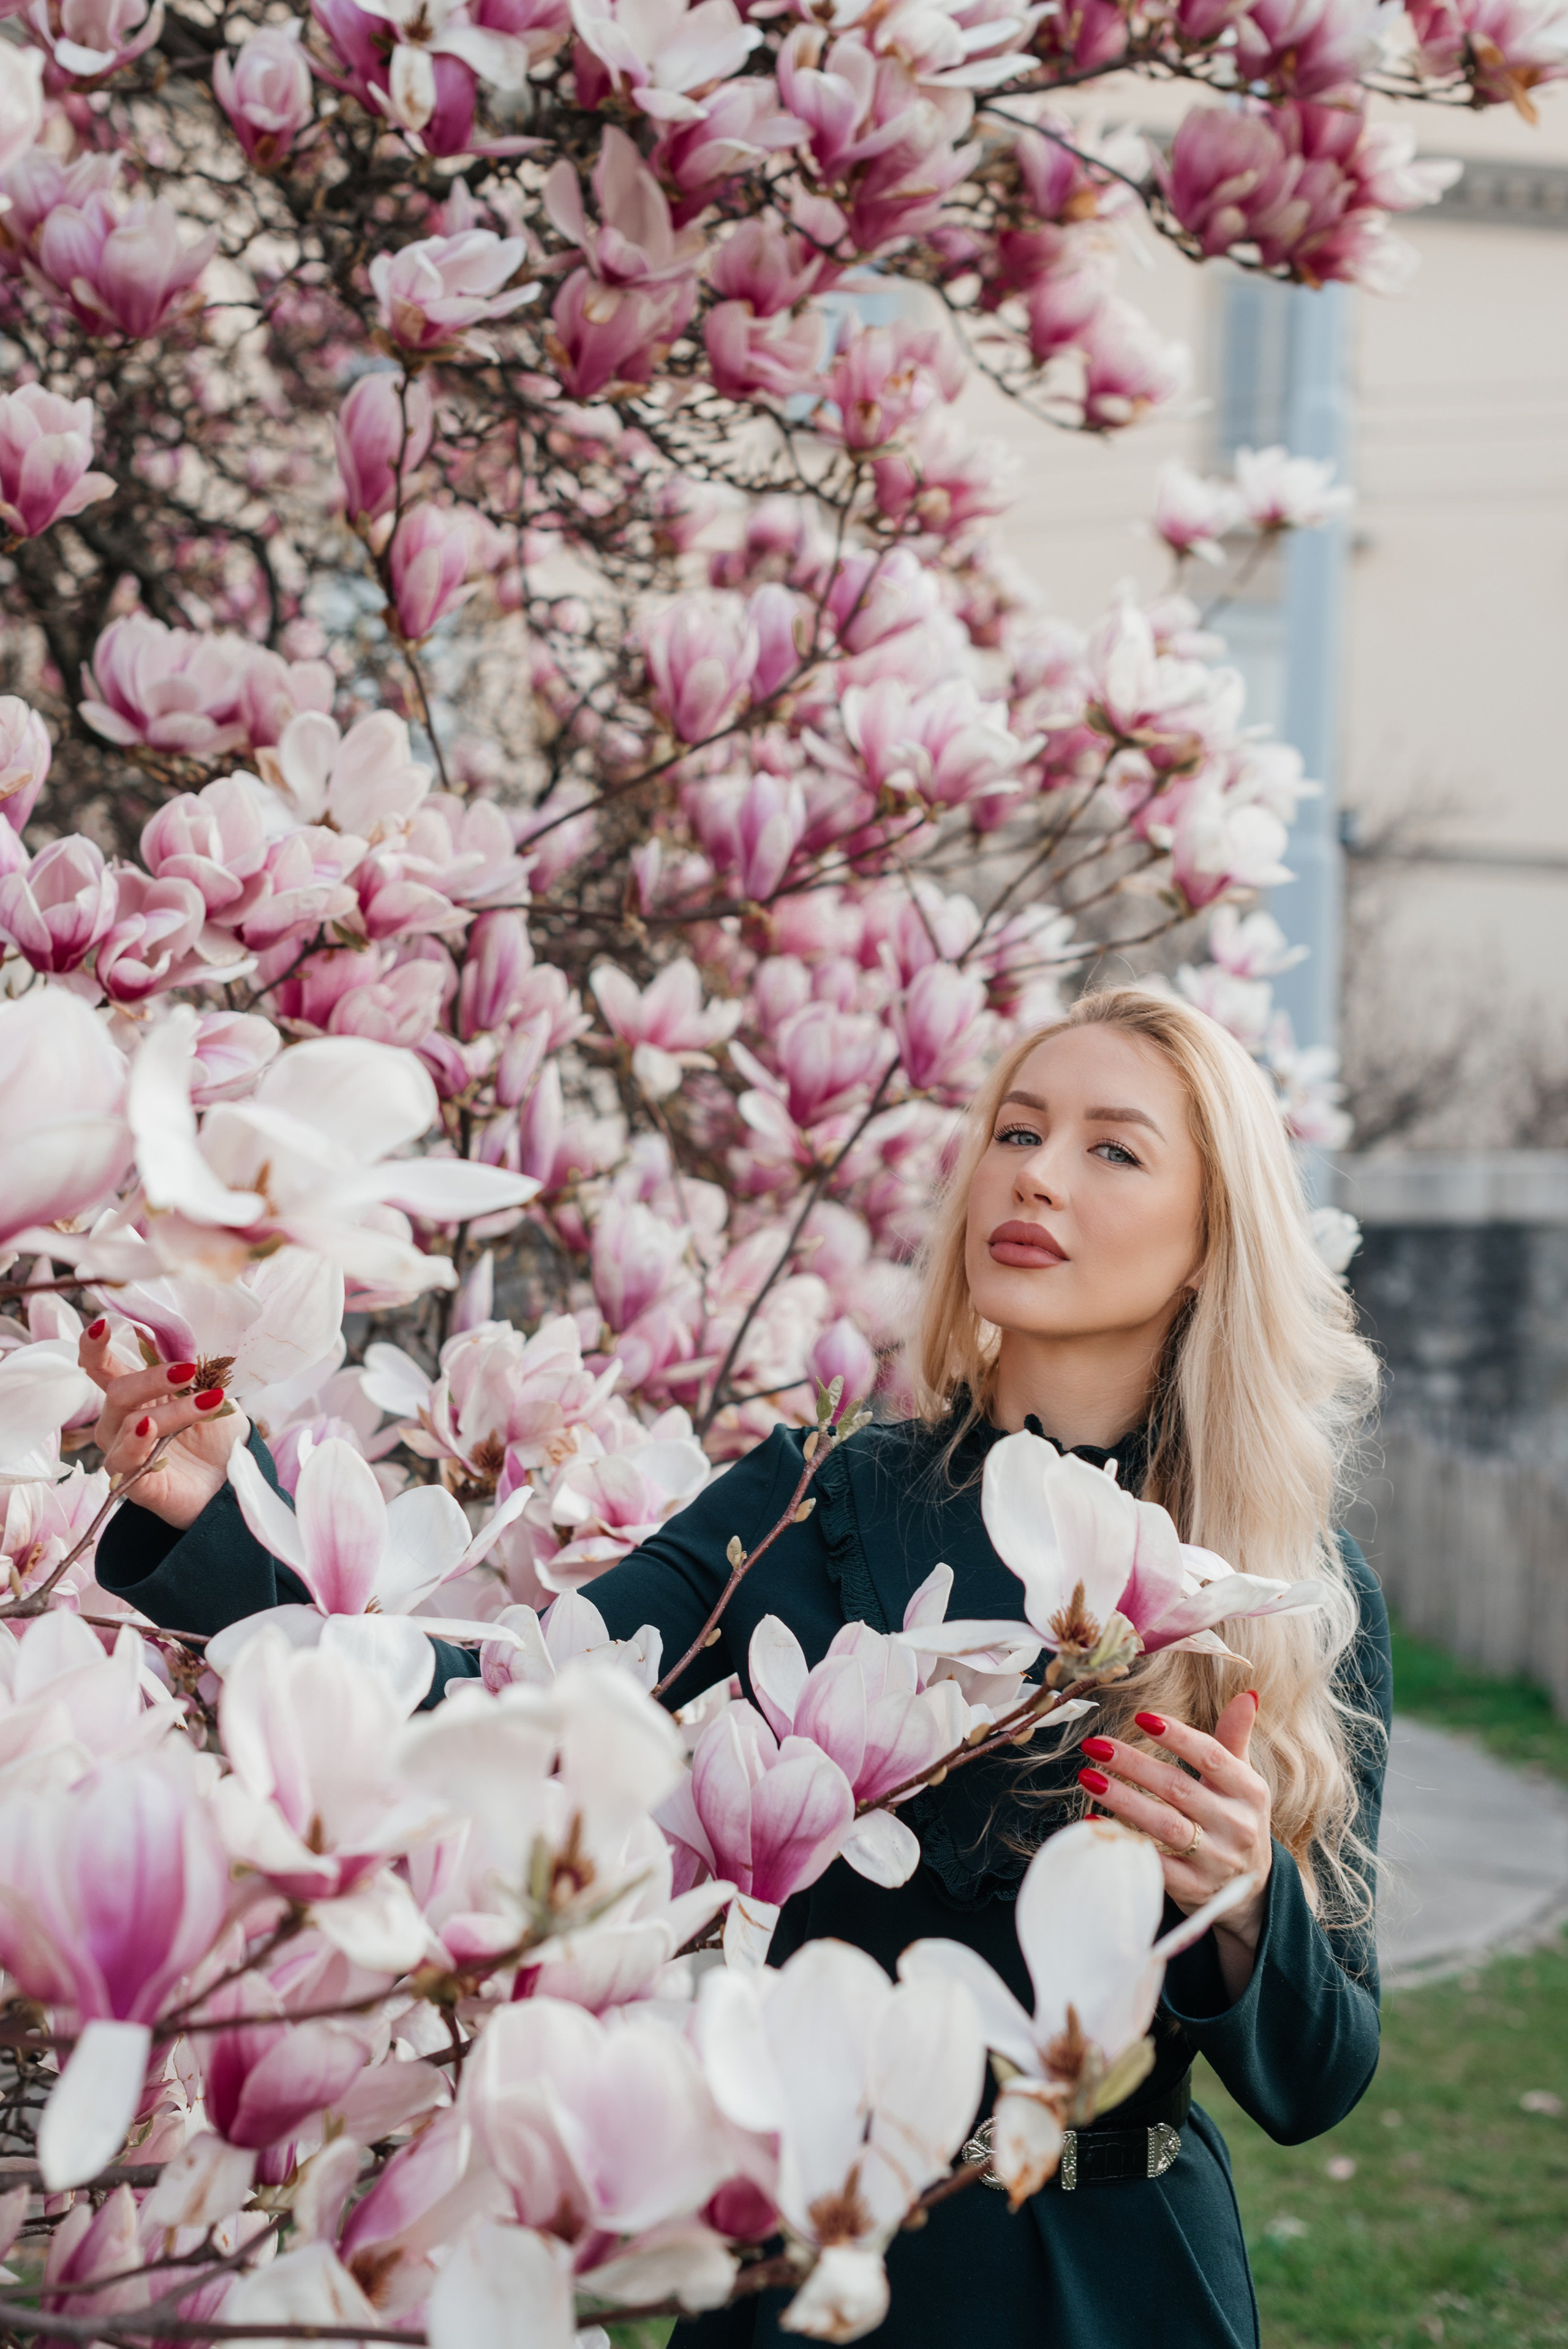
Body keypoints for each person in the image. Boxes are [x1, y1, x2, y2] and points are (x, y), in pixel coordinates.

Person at [87, 986, 1390, 2349]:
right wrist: (227, 1534)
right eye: (1015, 1130)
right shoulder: (819, 1502)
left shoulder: (1284, 1597)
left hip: (1121, 2284)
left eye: (1110, 1150)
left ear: (1207, 1240)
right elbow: (533, 1710)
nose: (1034, 1176)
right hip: (817, 2275)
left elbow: (1314, 2082)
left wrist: (1246, 1901)